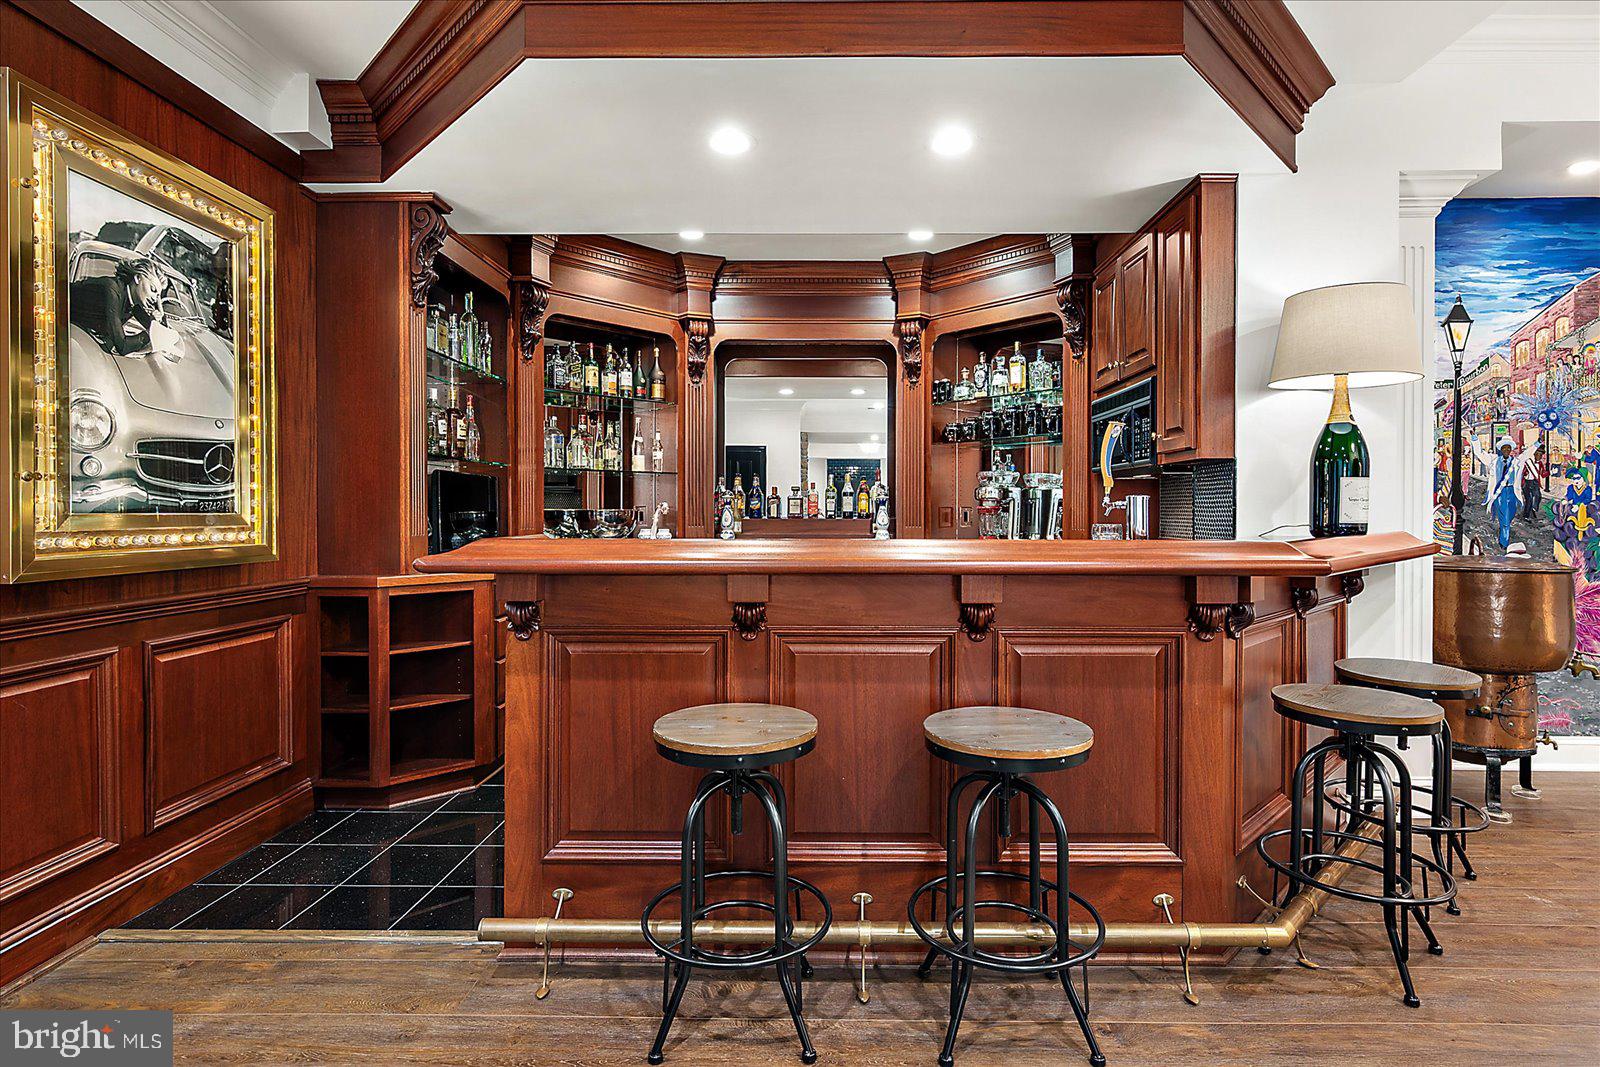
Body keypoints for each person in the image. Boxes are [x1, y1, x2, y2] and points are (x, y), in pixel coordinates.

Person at [69, 255, 167, 356]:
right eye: (153, 289)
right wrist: (150, 333)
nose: (155, 298)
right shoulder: (112, 290)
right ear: (138, 278)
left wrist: (158, 315)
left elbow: (163, 332)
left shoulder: (133, 302)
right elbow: (122, 346)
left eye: (158, 295)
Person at [1472, 435, 1536, 550]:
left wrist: (1538, 443)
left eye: (1508, 448)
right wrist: (1474, 439)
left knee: (1509, 516)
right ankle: (1504, 543)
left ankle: (1504, 531)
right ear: (1501, 449)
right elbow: (1479, 453)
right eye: (1504, 448)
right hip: (1499, 493)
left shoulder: (1516, 462)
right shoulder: (1493, 460)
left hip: (1512, 492)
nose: (1506, 450)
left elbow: (1527, 454)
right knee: (1505, 518)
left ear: (1511, 449)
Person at [1521, 442, 1546, 521]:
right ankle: (1526, 516)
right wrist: (1525, 473)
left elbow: (1543, 474)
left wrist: (1551, 472)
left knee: (1538, 496)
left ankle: (1534, 509)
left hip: (1535, 482)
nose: (1539, 456)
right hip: (1527, 483)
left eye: (1541, 455)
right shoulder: (1528, 462)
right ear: (1534, 454)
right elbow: (1522, 472)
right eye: (1537, 454)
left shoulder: (1540, 463)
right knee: (1529, 499)